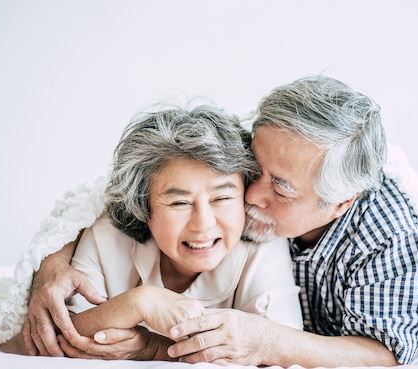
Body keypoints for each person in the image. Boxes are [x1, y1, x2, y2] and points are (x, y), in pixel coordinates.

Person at [25, 76, 418, 367]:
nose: (250, 196)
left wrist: (266, 341)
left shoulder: (392, 242)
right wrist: (53, 261)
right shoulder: (261, 144)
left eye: (281, 188)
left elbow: (384, 355)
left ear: (339, 203)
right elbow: (123, 185)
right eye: (252, 169)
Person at [22, 103, 303, 361]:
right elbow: (58, 336)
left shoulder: (263, 246)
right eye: (180, 202)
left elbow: (281, 349)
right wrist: (140, 302)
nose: (203, 224)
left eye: (222, 199)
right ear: (144, 206)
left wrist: (154, 347)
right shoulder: (106, 235)